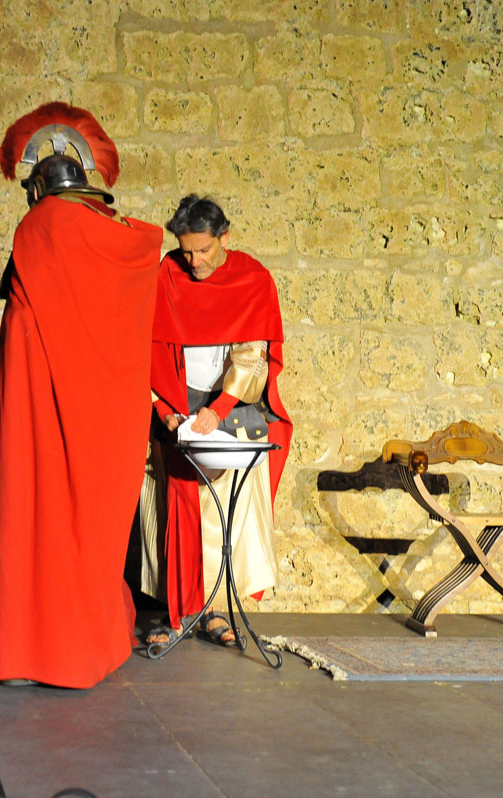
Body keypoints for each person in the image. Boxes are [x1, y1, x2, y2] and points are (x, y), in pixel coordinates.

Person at [0, 103, 163, 688]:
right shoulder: (123, 237)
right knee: (89, 531)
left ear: (39, 186)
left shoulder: (41, 228)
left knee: (35, 515)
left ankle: (26, 647)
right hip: (108, 418)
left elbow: (28, 325)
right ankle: (85, 644)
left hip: (43, 410)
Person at [143, 195, 293, 645]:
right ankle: (176, 614)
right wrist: (165, 409)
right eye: (186, 251)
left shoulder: (252, 279)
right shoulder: (168, 275)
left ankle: (213, 611)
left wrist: (219, 408)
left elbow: (253, 355)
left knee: (223, 515)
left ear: (225, 237)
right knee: (176, 513)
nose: (194, 261)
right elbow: (148, 349)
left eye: (204, 250)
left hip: (228, 407)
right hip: (176, 406)